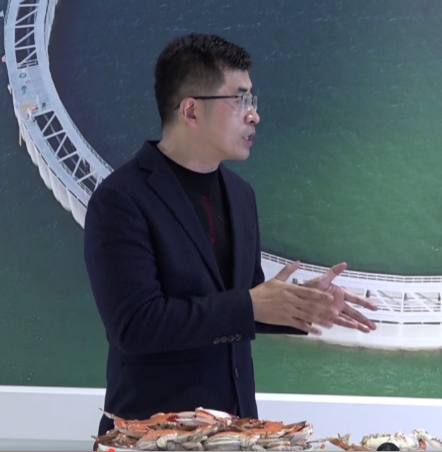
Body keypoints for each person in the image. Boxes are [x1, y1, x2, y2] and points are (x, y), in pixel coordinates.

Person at [83, 32, 378, 436]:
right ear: (191, 111)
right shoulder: (120, 199)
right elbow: (135, 326)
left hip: (236, 434)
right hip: (150, 436)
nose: (254, 115)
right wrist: (251, 304)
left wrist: (302, 302)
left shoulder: (241, 195)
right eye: (239, 100)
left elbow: (244, 302)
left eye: (252, 99)